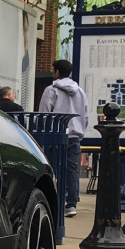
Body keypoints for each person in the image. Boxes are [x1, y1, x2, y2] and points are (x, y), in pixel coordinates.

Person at [39, 58, 89, 217]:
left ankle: (57, 201)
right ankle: (71, 204)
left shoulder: (51, 90)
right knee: (72, 170)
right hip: (74, 135)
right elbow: (85, 115)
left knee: (54, 170)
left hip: (56, 135)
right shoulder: (80, 91)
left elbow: (44, 113)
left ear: (57, 72)